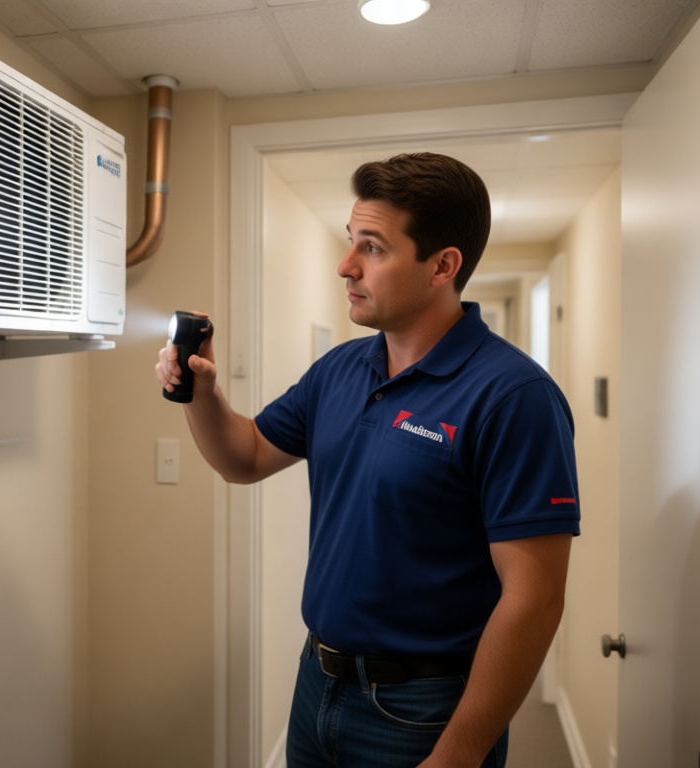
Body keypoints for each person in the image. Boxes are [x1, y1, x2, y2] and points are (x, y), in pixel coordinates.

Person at [154, 153, 580, 768]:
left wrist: (458, 754)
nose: (345, 265)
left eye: (373, 248)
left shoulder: (513, 396)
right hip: (317, 684)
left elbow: (535, 599)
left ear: (443, 265)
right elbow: (243, 456)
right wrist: (200, 393)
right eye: (351, 241)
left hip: (424, 711)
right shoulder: (340, 370)